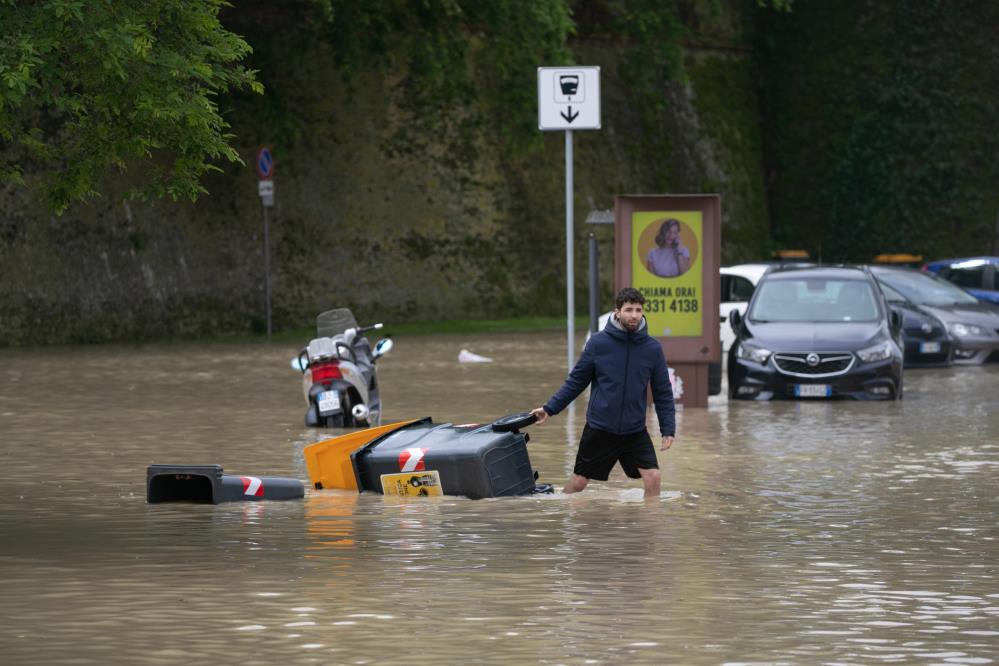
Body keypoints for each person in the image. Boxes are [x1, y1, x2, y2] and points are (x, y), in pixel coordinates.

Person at [530, 287, 676, 498]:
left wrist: (668, 429)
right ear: (617, 312)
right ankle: (563, 514)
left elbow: (663, 392)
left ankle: (648, 528)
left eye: (637, 310)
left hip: (634, 430)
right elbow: (576, 382)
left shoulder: (652, 348)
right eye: (628, 310)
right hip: (600, 428)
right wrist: (550, 409)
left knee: (653, 478)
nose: (633, 315)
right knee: (579, 483)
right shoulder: (598, 344)